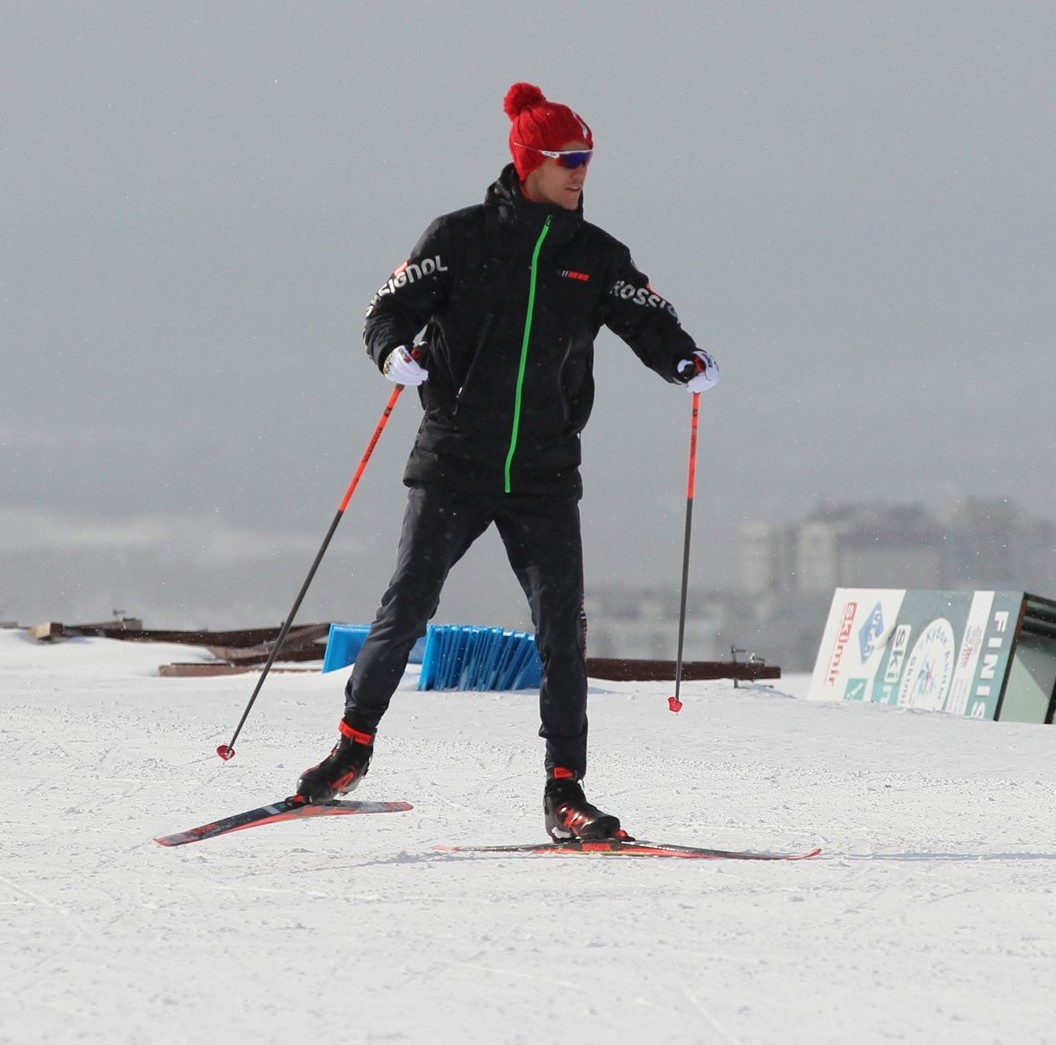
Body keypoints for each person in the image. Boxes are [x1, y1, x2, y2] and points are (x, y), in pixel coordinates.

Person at [297, 81, 719, 840]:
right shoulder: (458, 239)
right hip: (455, 460)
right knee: (407, 609)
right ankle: (351, 749)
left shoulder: (593, 256)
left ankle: (566, 791)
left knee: (562, 629)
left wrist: (683, 358)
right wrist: (392, 352)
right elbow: (387, 308)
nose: (582, 171)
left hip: (544, 473)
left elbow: (645, 315)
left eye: (588, 157)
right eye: (569, 158)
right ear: (528, 162)